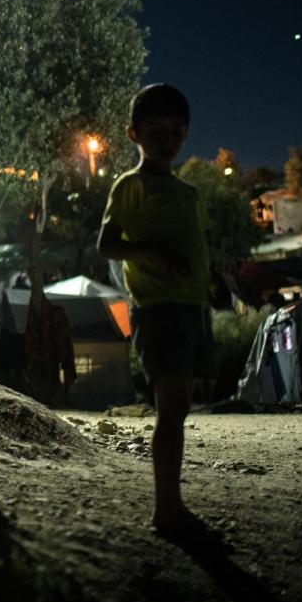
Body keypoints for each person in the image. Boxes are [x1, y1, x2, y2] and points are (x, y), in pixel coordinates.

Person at [97, 83, 214, 538]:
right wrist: (151, 253)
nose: (166, 140)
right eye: (155, 131)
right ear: (133, 135)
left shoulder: (187, 194)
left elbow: (196, 246)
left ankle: (172, 503)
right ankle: (166, 507)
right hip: (159, 309)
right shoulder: (131, 186)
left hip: (193, 309)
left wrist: (214, 282)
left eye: (175, 132)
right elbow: (107, 245)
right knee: (170, 410)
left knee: (180, 409)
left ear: (185, 134)